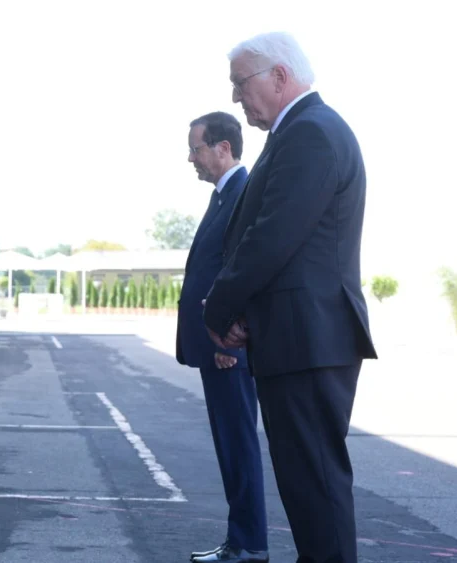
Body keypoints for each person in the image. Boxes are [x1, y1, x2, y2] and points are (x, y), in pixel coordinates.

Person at [201, 32, 377, 563]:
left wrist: (219, 307)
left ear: (279, 77)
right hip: (298, 337)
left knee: (315, 490)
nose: (235, 98)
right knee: (307, 491)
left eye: (240, 84)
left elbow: (273, 236)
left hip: (310, 339)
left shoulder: (311, 134)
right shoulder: (298, 133)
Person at [176, 111, 268, 563]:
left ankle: (249, 544)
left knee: (237, 445)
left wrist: (225, 342)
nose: (190, 157)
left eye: (196, 148)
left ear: (223, 148)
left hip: (226, 348)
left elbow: (239, 270)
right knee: (231, 446)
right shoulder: (223, 195)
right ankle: (243, 539)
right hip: (218, 345)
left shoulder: (241, 194)